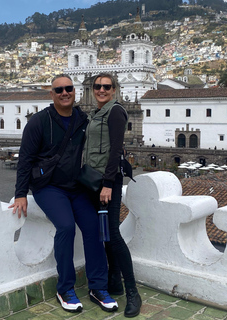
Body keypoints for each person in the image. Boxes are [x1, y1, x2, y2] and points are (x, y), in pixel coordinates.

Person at [9, 74, 118, 314]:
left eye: (69, 88)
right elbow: (25, 159)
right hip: (48, 187)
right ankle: (65, 288)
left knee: (93, 228)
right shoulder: (39, 122)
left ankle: (98, 287)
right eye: (59, 90)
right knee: (66, 227)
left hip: (77, 187)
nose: (65, 93)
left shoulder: (83, 119)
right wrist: (20, 194)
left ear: (75, 91)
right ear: (52, 94)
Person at [83, 73, 142, 317]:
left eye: (106, 86)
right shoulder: (96, 113)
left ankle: (132, 292)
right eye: (97, 86)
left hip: (108, 182)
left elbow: (116, 148)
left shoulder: (115, 111)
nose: (101, 89)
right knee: (104, 233)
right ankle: (114, 281)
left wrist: (108, 183)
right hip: (93, 179)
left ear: (115, 89)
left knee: (113, 235)